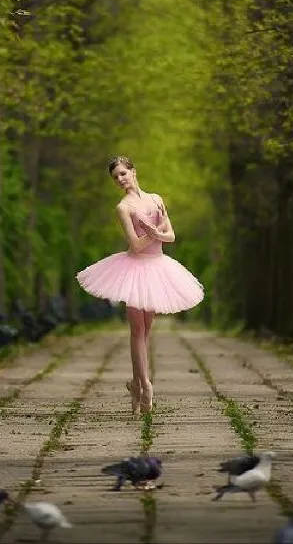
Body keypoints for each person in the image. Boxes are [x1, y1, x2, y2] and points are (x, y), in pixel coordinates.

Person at [76, 156, 204, 415]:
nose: (120, 179)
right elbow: (134, 245)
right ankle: (145, 385)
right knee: (136, 330)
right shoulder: (123, 208)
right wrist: (151, 233)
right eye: (115, 177)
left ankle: (135, 384)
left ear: (133, 171)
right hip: (134, 269)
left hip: (158, 267)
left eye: (123, 173)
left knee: (146, 329)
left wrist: (157, 233)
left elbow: (171, 235)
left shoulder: (156, 199)